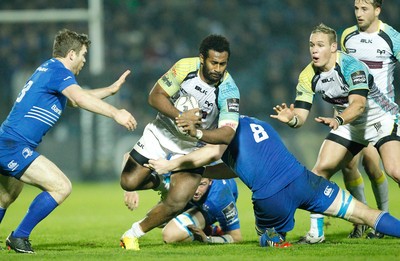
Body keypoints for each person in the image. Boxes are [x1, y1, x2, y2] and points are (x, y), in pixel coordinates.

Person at [146, 115, 400, 247]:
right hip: (304, 181)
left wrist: (171, 164)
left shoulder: (223, 134)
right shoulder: (257, 123)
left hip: (271, 198)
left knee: (269, 239)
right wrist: (205, 173)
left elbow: (212, 153)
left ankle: (276, 241)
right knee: (365, 213)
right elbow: (240, 168)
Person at [0, 28, 137, 254]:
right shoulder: (58, 70)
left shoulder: (50, 70)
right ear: (71, 54)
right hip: (14, 146)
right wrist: (115, 113)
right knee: (61, 187)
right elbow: (78, 97)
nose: (84, 60)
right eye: (83, 55)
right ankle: (19, 237)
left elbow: (75, 99)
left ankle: (17, 237)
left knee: (6, 196)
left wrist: (110, 90)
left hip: (9, 143)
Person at [270, 23, 400, 244]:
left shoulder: (352, 66)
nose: (314, 50)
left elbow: (358, 105)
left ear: (333, 47)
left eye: (320, 45)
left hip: (380, 119)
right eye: (311, 45)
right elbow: (301, 117)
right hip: (349, 126)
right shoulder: (307, 75)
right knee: (319, 171)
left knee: (395, 170)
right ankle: (316, 232)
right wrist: (291, 119)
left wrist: (338, 119)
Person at [119, 34, 240, 250]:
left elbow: (227, 135)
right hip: (161, 132)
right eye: (214, 63)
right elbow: (155, 96)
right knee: (128, 182)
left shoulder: (229, 90)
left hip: (193, 147)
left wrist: (197, 132)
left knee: (178, 201)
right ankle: (161, 182)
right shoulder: (185, 67)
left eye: (223, 64)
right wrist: (180, 117)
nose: (218, 69)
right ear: (202, 58)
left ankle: (132, 234)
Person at [339, 0, 400, 239]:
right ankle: (361, 221)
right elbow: (340, 71)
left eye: (364, 9)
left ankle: (381, 220)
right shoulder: (347, 36)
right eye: (356, 8)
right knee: (347, 165)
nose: (358, 13)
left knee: (383, 167)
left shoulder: (391, 38)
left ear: (377, 10)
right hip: (354, 114)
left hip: (381, 114)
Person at [124, 177, 242, 245]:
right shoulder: (180, 164)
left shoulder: (220, 198)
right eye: (194, 184)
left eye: (202, 184)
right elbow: (128, 155)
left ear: (211, 181)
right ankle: (210, 229)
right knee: (153, 217)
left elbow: (236, 237)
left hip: (208, 208)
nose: (196, 190)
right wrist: (130, 188)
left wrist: (208, 239)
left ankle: (209, 232)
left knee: (170, 235)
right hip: (187, 198)